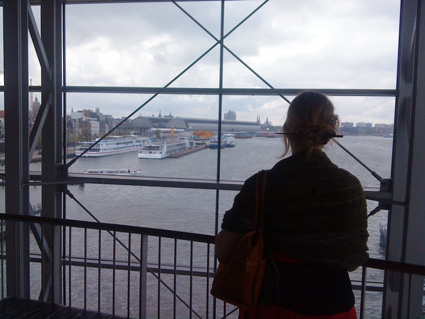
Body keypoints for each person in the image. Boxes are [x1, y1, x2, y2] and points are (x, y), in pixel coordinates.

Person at [215, 91, 369, 319]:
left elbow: (224, 250)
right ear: (330, 130)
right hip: (335, 306)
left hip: (273, 304)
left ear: (287, 129)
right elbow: (354, 261)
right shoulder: (350, 186)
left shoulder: (261, 185)